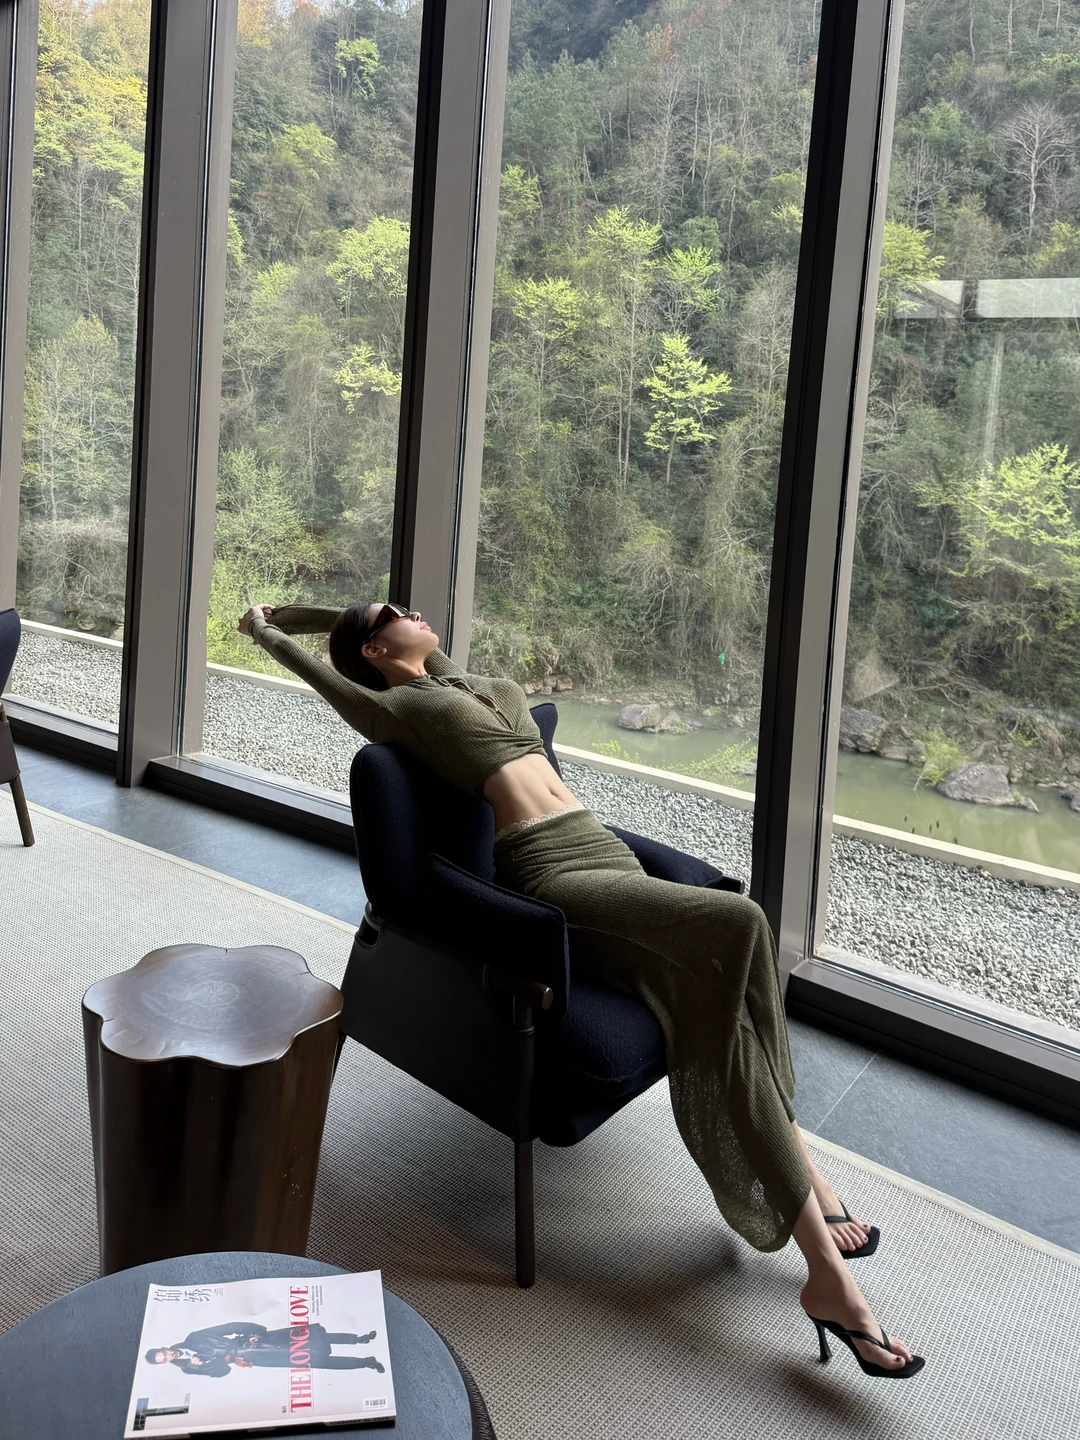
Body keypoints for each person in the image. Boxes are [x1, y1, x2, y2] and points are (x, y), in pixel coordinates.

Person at [238, 600, 924, 1379]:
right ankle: (827, 1258)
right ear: (371, 649)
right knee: (742, 922)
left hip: (603, 851)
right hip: (551, 874)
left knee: (726, 1014)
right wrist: (271, 626)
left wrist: (360, 617)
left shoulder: (461, 685)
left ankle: (814, 1224)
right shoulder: (393, 711)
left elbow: (395, 638)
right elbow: (322, 671)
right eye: (396, 613)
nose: (417, 610)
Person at [146, 1322, 383, 1378]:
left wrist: (255, 1330)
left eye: (164, 1353)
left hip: (252, 1341)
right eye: (164, 1359)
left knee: (312, 1337)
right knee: (311, 1359)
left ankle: (359, 1339)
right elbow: (223, 1371)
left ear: (165, 1347)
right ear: (165, 1363)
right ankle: (366, 1362)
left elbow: (228, 1328)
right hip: (257, 1357)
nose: (169, 1356)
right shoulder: (189, 1368)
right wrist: (198, 1367)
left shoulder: (194, 1338)